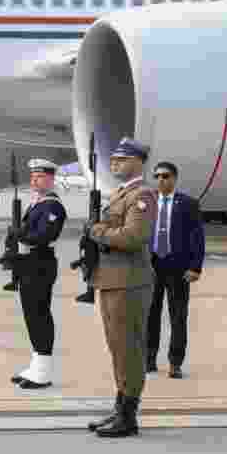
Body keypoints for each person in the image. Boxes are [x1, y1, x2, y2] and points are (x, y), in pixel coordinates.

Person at [85, 138, 157, 438]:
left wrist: (96, 231)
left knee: (128, 349)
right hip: (112, 280)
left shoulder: (143, 196)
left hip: (130, 282)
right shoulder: (121, 193)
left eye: (122, 159)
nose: (114, 164)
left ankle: (129, 416)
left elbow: (132, 237)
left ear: (138, 162)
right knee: (117, 348)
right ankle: (120, 407)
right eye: (113, 159)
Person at [9, 159, 67, 389]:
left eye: (40, 176)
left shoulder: (53, 206)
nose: (34, 180)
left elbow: (45, 236)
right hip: (29, 263)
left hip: (41, 263)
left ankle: (43, 370)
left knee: (39, 315)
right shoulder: (36, 203)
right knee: (31, 316)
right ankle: (36, 365)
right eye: (32, 176)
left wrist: (20, 234)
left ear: (51, 179)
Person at [146, 161, 204, 379]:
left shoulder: (188, 203)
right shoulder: (147, 202)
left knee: (178, 316)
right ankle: (149, 359)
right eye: (158, 176)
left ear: (175, 178)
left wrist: (195, 267)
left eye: (166, 176)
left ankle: (175, 362)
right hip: (152, 267)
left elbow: (197, 238)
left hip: (178, 268)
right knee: (151, 315)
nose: (161, 180)